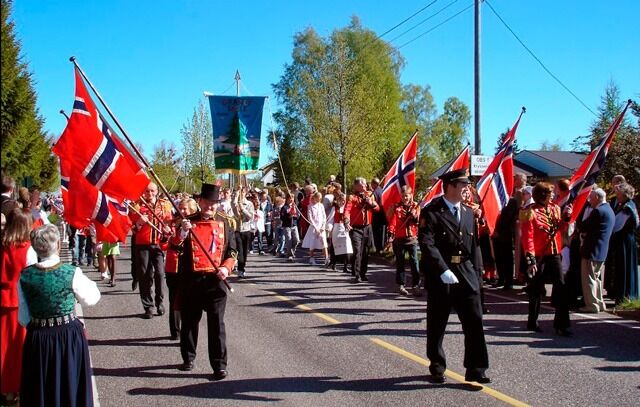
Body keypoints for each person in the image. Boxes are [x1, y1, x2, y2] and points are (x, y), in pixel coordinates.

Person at [418, 169, 490, 384]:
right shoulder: (431, 212)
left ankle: (476, 368)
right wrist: (442, 269)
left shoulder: (468, 212)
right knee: (437, 323)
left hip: (466, 271)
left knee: (474, 321)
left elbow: (474, 246)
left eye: (467, 185)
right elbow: (427, 244)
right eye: (462, 185)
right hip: (443, 274)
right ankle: (437, 365)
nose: (466, 189)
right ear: (450, 186)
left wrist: (478, 275)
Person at [18, 224, 100, 407]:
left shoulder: (25, 276)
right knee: (70, 385)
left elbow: (23, 318)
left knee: (41, 388)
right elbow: (91, 299)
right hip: (68, 335)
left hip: (38, 338)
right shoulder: (71, 272)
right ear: (57, 246)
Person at [176, 184, 237, 381]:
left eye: (214, 203)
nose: (210, 206)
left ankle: (219, 365)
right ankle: (188, 357)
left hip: (215, 281)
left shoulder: (225, 222)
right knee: (190, 322)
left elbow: (233, 251)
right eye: (207, 202)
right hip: (191, 280)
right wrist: (182, 233)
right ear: (199, 202)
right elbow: (173, 247)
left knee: (216, 324)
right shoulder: (186, 222)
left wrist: (226, 267)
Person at [520, 182, 573, 336]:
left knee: (561, 286)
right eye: (550, 194)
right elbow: (527, 237)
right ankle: (532, 321)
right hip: (538, 255)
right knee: (536, 290)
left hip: (554, 253)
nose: (553, 196)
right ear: (543, 196)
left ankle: (562, 324)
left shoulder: (555, 208)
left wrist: (566, 217)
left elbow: (560, 228)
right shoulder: (528, 211)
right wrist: (530, 260)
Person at [1, 209, 37, 403]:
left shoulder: (3, 245)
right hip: (18, 302)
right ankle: (15, 388)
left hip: (2, 299)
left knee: (3, 347)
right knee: (17, 350)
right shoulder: (28, 250)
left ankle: (5, 388)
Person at [129, 182, 173, 319]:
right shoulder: (136, 206)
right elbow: (132, 229)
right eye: (147, 191)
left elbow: (168, 225)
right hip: (142, 245)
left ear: (157, 191)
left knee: (159, 274)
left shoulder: (164, 205)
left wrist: (167, 231)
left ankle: (159, 301)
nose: (150, 194)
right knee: (144, 275)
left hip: (158, 245)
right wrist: (139, 223)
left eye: (152, 191)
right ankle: (148, 306)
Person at [164, 198, 198, 340]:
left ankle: (187, 330)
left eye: (185, 209)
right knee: (174, 298)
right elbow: (168, 242)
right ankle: (175, 330)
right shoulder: (173, 223)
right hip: (174, 265)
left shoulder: (197, 224)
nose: (182, 211)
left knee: (189, 300)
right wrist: (166, 235)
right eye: (181, 208)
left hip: (191, 266)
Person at [577, 188, 614, 313]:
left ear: (597, 197)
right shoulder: (609, 210)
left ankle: (592, 305)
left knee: (589, 279)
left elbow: (583, 226)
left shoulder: (598, 211)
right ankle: (599, 302)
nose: (589, 201)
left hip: (592, 249)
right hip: (601, 250)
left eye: (591, 198)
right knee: (597, 278)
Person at [344, 177, 379, 283]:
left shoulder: (370, 195)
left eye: (365, 183)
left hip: (367, 227)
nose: (365, 185)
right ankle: (357, 274)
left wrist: (371, 203)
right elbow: (347, 210)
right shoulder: (352, 197)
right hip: (356, 228)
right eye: (362, 184)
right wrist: (346, 221)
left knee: (365, 252)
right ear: (356, 186)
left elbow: (377, 209)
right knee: (357, 251)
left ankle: (363, 273)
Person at [608, 183, 639, 303]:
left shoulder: (627, 208)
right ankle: (622, 294)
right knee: (623, 267)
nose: (617, 196)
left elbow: (617, 225)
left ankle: (625, 295)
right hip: (625, 239)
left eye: (618, 193)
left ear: (624, 194)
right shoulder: (626, 205)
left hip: (624, 240)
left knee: (624, 266)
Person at [387, 186, 420, 296]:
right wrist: (391, 233)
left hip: (412, 239)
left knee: (414, 262)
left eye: (407, 195)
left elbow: (418, 221)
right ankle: (400, 285)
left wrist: (414, 216)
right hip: (399, 239)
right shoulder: (396, 207)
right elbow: (393, 222)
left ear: (411, 195)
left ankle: (416, 285)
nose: (405, 197)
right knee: (400, 263)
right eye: (403, 195)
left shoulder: (416, 206)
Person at [301, 191, 329, 265]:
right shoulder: (310, 206)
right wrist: (315, 227)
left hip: (321, 227)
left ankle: (326, 259)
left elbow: (324, 216)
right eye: (318, 198)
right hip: (314, 227)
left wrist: (323, 226)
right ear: (315, 197)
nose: (319, 200)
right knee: (312, 243)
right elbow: (310, 218)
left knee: (324, 243)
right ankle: (311, 258)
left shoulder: (321, 205)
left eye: (320, 198)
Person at [233, 187, 254, 278]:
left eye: (242, 192)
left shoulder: (249, 204)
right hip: (238, 230)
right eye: (239, 192)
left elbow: (250, 217)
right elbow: (233, 208)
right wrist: (236, 197)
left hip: (246, 230)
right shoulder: (235, 203)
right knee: (240, 251)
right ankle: (240, 269)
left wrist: (243, 209)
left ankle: (242, 266)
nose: (241, 194)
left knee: (245, 252)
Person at [330, 191, 353, 273]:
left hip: (344, 228)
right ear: (337, 200)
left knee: (347, 247)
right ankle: (334, 263)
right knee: (336, 247)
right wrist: (329, 227)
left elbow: (349, 217)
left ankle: (345, 266)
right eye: (340, 200)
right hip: (336, 228)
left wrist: (349, 225)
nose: (342, 202)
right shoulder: (334, 208)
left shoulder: (347, 208)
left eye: (343, 200)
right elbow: (330, 219)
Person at [281, 192, 300, 261]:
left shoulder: (295, 207)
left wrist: (295, 215)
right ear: (287, 199)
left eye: (292, 198)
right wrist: (289, 216)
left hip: (294, 225)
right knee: (289, 240)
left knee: (297, 240)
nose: (291, 199)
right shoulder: (284, 207)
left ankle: (291, 251)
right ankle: (290, 255)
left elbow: (298, 216)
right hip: (287, 226)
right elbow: (282, 217)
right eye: (290, 198)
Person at [370, 177, 387, 254]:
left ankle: (378, 249)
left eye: (371, 184)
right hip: (384, 215)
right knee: (383, 233)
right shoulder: (384, 191)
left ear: (374, 184)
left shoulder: (374, 193)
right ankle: (383, 248)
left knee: (376, 233)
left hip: (376, 215)